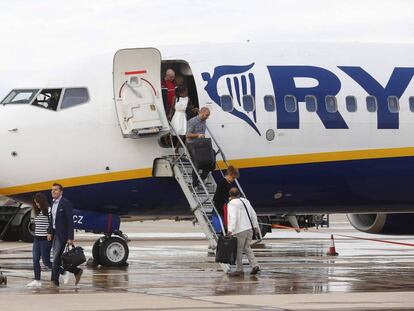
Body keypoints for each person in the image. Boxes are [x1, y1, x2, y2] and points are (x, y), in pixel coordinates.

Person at [27, 193, 67, 287]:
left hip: (45, 239)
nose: (37, 205)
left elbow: (52, 223)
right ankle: (37, 280)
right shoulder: (36, 211)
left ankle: (63, 272)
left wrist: (50, 233)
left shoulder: (49, 210)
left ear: (42, 202)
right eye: (35, 203)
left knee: (46, 262)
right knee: (35, 260)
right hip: (37, 238)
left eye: (38, 203)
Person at [48, 183, 83, 287]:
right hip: (54, 233)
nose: (53, 192)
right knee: (57, 258)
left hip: (62, 234)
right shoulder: (52, 203)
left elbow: (70, 221)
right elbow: (51, 220)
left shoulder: (66, 203)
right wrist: (49, 231)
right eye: (52, 190)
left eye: (56, 190)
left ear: (61, 192)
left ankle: (54, 281)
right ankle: (76, 271)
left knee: (55, 258)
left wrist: (70, 237)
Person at [227, 187, 260, 276]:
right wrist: (255, 226)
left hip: (239, 230)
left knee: (238, 250)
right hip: (249, 228)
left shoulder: (232, 203)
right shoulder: (246, 201)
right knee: (247, 247)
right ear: (239, 194)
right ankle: (255, 265)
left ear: (230, 195)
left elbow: (233, 217)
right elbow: (253, 214)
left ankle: (239, 269)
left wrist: (230, 230)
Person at [186, 107, 213, 188]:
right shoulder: (192, 121)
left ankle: (201, 179)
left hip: (201, 144)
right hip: (192, 144)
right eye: (206, 115)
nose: (207, 117)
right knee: (197, 163)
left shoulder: (204, 121)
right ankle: (194, 184)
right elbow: (187, 135)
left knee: (211, 160)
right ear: (201, 113)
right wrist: (198, 135)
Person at [213, 165, 240, 230]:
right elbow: (219, 194)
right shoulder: (223, 182)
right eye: (233, 178)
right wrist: (229, 198)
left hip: (224, 202)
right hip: (220, 203)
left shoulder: (228, 182)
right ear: (229, 175)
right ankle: (226, 229)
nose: (233, 180)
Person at [170, 86, 189, 154]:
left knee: (183, 132)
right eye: (186, 91)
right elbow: (172, 107)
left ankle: (177, 148)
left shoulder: (187, 99)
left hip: (183, 116)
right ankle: (169, 143)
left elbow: (188, 108)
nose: (187, 92)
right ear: (182, 92)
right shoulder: (175, 98)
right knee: (173, 131)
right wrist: (170, 116)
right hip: (176, 115)